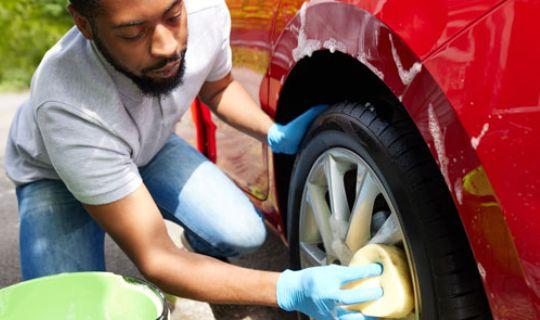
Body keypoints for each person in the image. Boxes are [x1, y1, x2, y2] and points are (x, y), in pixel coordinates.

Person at [4, 0, 383, 318]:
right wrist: (286, 288)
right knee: (66, 310)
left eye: (172, 16)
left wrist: (271, 132)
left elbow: (217, 87)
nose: (167, 46)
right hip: (52, 176)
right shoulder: (67, 104)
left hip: (149, 147)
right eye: (133, 33)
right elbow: (156, 258)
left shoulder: (205, 11)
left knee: (246, 234)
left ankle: (199, 258)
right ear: (84, 24)